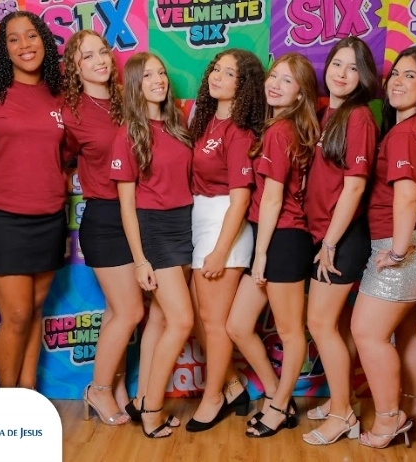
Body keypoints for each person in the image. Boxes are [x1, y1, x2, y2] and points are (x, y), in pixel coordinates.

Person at [349, 46, 416, 449]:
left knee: (367, 332)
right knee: (404, 331)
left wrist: (400, 251)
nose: (398, 83)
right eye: (396, 74)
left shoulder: (407, 133)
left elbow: (407, 196)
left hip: (405, 242)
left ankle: (390, 419)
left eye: (411, 76)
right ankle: (413, 402)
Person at [225, 52, 320, 438]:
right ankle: (279, 395)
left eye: (287, 80)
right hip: (271, 237)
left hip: (283, 239)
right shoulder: (280, 127)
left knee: (290, 331)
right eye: (273, 76)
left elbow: (273, 198)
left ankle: (279, 406)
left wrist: (262, 253)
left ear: (301, 93)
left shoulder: (281, 131)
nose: (275, 85)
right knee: (237, 325)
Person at [0, 11, 66, 389]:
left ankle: (27, 396)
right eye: (13, 39)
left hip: (49, 215)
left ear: (44, 41)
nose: (24, 45)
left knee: (35, 310)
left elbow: (68, 152)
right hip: (1, 218)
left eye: (31, 35)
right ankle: (7, 406)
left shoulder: (59, 94)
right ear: (4, 49)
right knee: (16, 313)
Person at [110, 52, 195, 439]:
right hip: (155, 229)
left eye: (161, 73)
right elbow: (126, 205)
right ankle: (152, 410)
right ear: (135, 85)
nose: (159, 80)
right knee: (182, 321)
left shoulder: (177, 126)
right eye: (148, 76)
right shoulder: (128, 133)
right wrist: (140, 260)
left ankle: (143, 397)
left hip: (185, 225)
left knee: (160, 320)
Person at [301, 37, 378, 446]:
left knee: (319, 322)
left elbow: (354, 187)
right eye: (337, 64)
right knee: (334, 326)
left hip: (341, 238)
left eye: (352, 68)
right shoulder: (323, 113)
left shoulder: (359, 117)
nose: (343, 74)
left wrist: (330, 242)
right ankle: (340, 398)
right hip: (321, 234)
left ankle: (342, 414)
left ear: (363, 77)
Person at [61, 30, 141, 426]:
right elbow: (55, 161)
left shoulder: (129, 100)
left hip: (141, 216)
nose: (99, 60)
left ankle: (118, 386)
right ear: (75, 68)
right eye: (87, 56)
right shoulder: (70, 113)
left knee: (115, 311)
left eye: (103, 52)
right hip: (106, 218)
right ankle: (99, 389)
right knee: (130, 311)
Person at [185, 49, 266, 432]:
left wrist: (220, 251)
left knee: (214, 323)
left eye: (229, 73)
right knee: (198, 317)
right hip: (200, 220)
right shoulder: (203, 120)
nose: (217, 76)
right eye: (216, 69)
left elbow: (241, 200)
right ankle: (233, 386)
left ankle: (213, 397)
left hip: (223, 226)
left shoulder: (239, 132)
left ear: (244, 85)